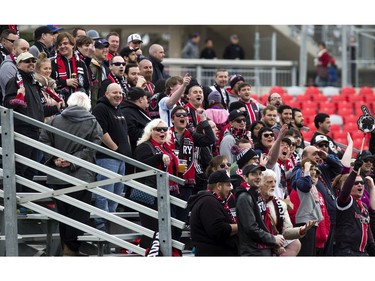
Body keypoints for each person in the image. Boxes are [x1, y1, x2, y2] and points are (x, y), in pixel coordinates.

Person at [39, 91, 103, 256]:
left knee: (63, 215)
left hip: (58, 175)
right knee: (79, 215)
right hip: (81, 176)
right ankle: (72, 250)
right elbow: (94, 146)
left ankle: (68, 249)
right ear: (87, 105)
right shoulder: (92, 122)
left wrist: (54, 158)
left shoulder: (54, 120)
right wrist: (73, 160)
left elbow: (43, 139)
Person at [4, 52, 63, 191]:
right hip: (22, 130)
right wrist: (17, 99)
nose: (31, 63)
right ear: (18, 64)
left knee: (30, 169)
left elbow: (39, 111)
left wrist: (56, 108)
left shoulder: (33, 83)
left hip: (35, 130)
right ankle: (16, 203)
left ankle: (24, 202)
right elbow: (7, 104)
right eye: (26, 61)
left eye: (32, 60)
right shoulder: (15, 81)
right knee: (20, 168)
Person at [165, 105, 216, 240]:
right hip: (168, 181)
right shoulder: (166, 134)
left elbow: (210, 139)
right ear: (172, 119)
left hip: (186, 183)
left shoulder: (192, 135)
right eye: (179, 115)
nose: (182, 117)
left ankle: (176, 244)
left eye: (185, 115)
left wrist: (203, 119)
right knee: (170, 216)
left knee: (181, 218)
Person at [91, 83, 132, 232]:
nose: (118, 95)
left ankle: (111, 219)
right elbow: (101, 132)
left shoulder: (118, 109)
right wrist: (116, 149)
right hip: (107, 158)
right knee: (105, 192)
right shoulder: (100, 108)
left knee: (116, 193)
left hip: (121, 158)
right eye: (114, 92)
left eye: (120, 93)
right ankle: (101, 223)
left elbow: (125, 132)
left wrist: (127, 152)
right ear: (107, 94)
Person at [133, 118, 179, 249]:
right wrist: (159, 157)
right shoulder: (144, 146)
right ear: (150, 131)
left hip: (165, 192)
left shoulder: (166, 147)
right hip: (150, 191)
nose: (162, 132)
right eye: (158, 129)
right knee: (152, 229)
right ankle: (149, 252)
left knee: (163, 229)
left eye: (165, 129)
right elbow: (142, 165)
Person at [259, 169, 315, 256]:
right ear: (260, 184)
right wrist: (273, 241)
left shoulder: (280, 204)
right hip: (258, 241)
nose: (273, 185)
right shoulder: (252, 201)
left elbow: (286, 231)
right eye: (269, 182)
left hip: (274, 240)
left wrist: (301, 230)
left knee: (295, 243)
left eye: (275, 181)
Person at [235, 163, 285, 256]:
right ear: (245, 178)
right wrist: (273, 239)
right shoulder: (244, 197)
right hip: (253, 251)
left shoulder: (257, 195)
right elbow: (251, 228)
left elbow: (265, 224)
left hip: (264, 248)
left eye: (260, 174)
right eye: (253, 174)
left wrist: (274, 243)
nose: (258, 177)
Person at [187, 170, 238, 256]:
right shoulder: (208, 202)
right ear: (219, 186)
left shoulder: (213, 200)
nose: (230, 188)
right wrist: (241, 226)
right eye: (228, 185)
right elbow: (218, 229)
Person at [335, 158, 375, 256]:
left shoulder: (364, 206)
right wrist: (355, 170)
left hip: (363, 253)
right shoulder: (345, 201)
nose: (360, 185)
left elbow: (368, 230)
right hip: (347, 252)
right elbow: (345, 191)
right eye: (356, 183)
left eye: (362, 183)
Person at [293, 159, 323, 256]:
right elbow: (306, 187)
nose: (313, 172)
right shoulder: (300, 181)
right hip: (304, 221)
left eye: (314, 169)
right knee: (306, 254)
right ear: (303, 169)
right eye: (311, 169)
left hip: (313, 222)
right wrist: (306, 170)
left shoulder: (313, 184)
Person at [51, 32, 90, 104]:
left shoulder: (81, 63)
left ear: (72, 45)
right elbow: (48, 84)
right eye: (60, 45)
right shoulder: (52, 62)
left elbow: (86, 86)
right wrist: (65, 82)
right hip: (60, 105)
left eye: (65, 43)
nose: (62, 46)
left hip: (78, 106)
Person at [34, 52, 64, 123]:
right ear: (38, 70)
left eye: (50, 68)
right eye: (45, 69)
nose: (48, 71)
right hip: (42, 125)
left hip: (52, 123)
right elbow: (40, 110)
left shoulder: (51, 85)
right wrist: (56, 107)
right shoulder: (36, 85)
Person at [121, 87, 152, 153]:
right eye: (146, 98)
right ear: (141, 99)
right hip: (135, 151)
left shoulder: (135, 110)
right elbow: (131, 132)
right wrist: (151, 133)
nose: (147, 101)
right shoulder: (127, 112)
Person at [89, 37, 111, 109]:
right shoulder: (91, 65)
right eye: (102, 48)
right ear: (94, 49)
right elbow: (93, 89)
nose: (105, 50)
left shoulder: (104, 67)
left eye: (106, 48)